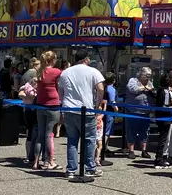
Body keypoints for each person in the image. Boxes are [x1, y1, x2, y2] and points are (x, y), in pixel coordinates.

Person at [60, 50, 105, 178]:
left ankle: (71, 170)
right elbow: (101, 88)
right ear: (86, 59)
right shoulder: (93, 71)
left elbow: (60, 91)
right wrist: (98, 104)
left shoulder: (66, 72)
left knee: (72, 140)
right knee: (89, 140)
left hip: (69, 109)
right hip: (87, 109)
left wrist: (63, 104)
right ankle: (89, 167)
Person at [32, 51, 61, 170]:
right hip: (53, 104)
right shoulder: (56, 72)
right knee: (49, 135)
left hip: (40, 105)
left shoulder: (40, 72)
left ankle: (35, 162)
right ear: (52, 60)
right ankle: (50, 162)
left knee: (40, 135)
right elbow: (60, 86)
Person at [125, 66, 155, 159]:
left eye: (149, 76)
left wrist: (150, 90)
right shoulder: (133, 80)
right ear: (141, 74)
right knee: (131, 131)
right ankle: (131, 151)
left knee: (145, 132)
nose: (148, 78)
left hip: (145, 112)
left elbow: (153, 91)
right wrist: (144, 88)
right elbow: (133, 89)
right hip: (133, 111)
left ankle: (144, 151)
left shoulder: (150, 83)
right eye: (146, 75)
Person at [155, 70, 172, 168]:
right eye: (171, 76)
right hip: (168, 114)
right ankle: (163, 156)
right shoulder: (164, 90)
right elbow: (164, 103)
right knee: (166, 137)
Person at [18, 63, 39, 164]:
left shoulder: (36, 87)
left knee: (35, 135)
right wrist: (27, 96)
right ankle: (30, 156)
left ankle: (35, 156)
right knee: (31, 134)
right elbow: (20, 93)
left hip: (34, 111)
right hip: (30, 112)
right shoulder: (27, 87)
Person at [99, 72, 117, 162]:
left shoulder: (103, 87)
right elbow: (113, 101)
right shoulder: (112, 89)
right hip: (110, 112)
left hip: (103, 111)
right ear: (113, 80)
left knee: (103, 130)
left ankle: (104, 148)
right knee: (107, 131)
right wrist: (117, 109)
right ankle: (103, 148)